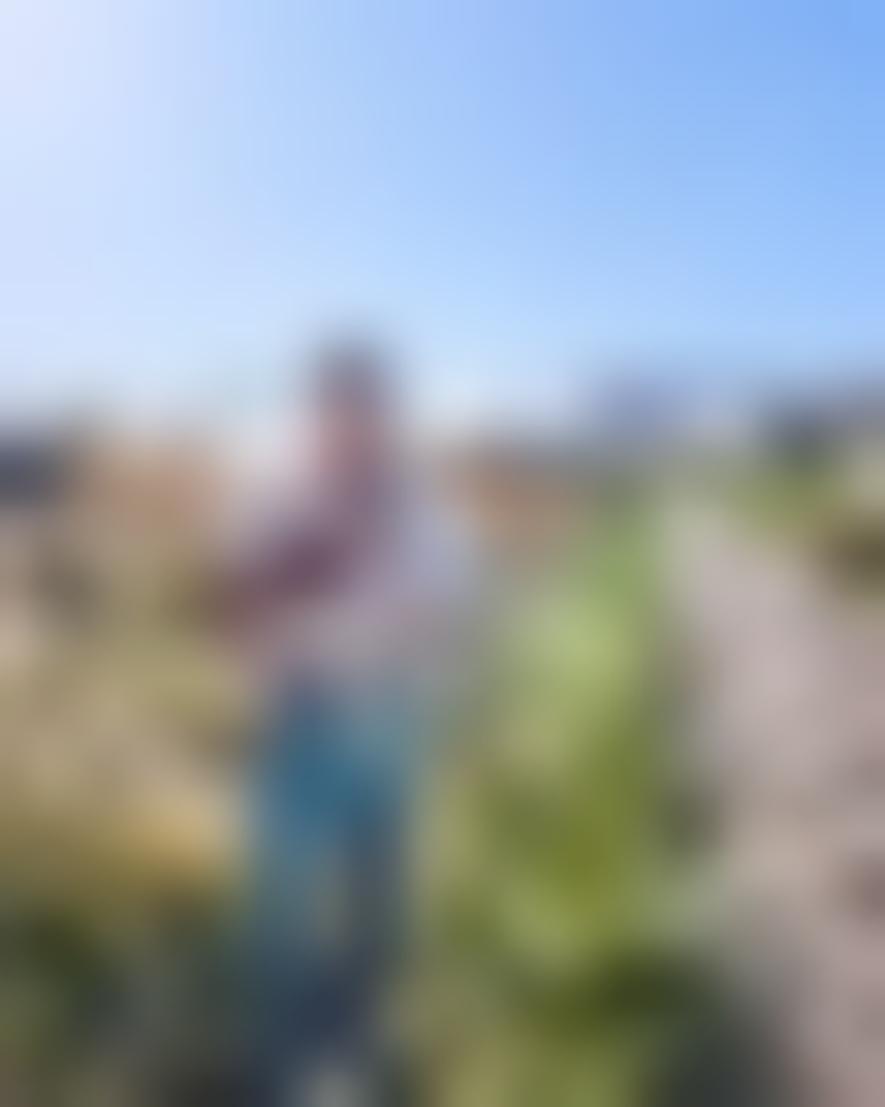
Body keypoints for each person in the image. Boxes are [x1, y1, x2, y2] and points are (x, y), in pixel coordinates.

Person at [229, 339, 468, 1106]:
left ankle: (357, 1055)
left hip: (390, 722)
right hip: (302, 719)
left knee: (377, 905)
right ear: (313, 417)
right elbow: (237, 600)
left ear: (385, 418)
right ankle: (286, 1070)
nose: (349, 428)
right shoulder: (278, 498)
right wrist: (298, 574)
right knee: (283, 914)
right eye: (334, 411)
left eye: (363, 412)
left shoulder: (419, 512)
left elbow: (450, 609)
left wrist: (424, 670)